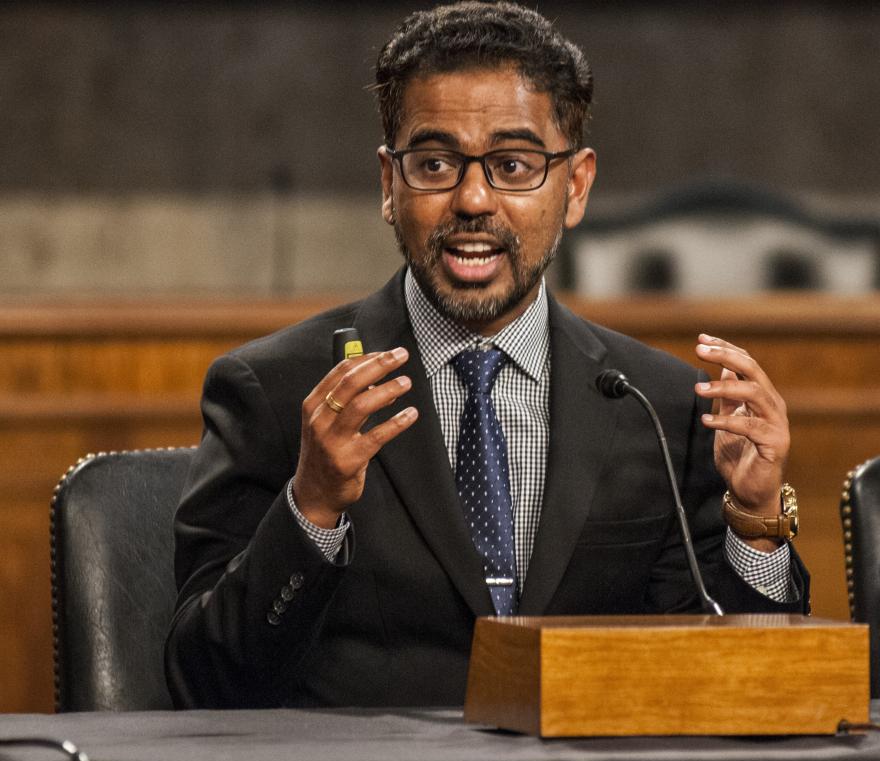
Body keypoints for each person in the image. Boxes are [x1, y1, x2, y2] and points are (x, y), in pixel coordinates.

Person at [165, 1, 808, 709]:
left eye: (512, 164)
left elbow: (740, 684)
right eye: (435, 163)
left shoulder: (657, 406)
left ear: (577, 186)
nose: (473, 199)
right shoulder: (273, 391)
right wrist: (311, 506)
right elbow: (202, 682)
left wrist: (754, 522)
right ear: (390, 184)